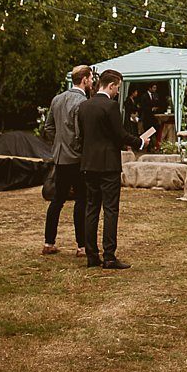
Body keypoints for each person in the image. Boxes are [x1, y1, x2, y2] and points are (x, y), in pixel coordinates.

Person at [76, 69, 155, 269]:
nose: (118, 92)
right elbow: (119, 134)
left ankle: (92, 255)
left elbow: (82, 137)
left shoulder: (83, 106)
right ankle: (109, 256)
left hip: (89, 164)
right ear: (110, 86)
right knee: (110, 209)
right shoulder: (110, 106)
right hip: (108, 165)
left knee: (91, 209)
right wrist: (140, 142)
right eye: (117, 88)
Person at [40, 65, 93, 256]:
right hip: (76, 158)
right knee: (82, 201)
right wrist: (77, 147)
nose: (92, 81)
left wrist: (58, 143)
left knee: (57, 200)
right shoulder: (82, 102)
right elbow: (80, 132)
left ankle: (48, 242)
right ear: (85, 79)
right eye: (91, 78)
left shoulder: (57, 99)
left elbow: (48, 127)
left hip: (60, 157)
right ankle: (81, 246)